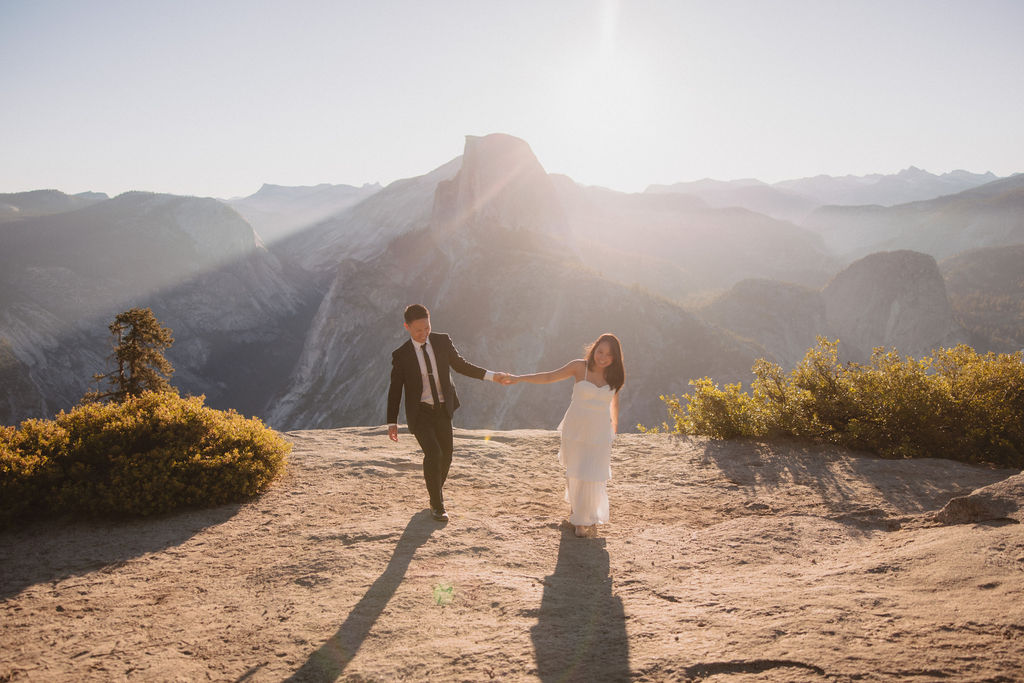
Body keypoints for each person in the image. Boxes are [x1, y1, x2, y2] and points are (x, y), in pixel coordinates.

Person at [387, 304, 509, 522]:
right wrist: (391, 422)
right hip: (420, 413)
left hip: (443, 409)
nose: (424, 334)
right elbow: (395, 389)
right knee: (433, 454)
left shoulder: (442, 341)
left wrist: (493, 376)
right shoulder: (402, 355)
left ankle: (434, 491)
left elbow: (462, 366)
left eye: (427, 328)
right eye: (418, 330)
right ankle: (437, 504)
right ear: (407, 327)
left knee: (447, 455)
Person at [504, 334, 625, 537]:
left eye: (609, 355)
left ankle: (587, 513)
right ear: (594, 349)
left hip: (599, 430)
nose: (603, 357)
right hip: (576, 428)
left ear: (615, 358)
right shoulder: (580, 367)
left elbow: (614, 401)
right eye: (600, 351)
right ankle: (579, 519)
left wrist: (615, 427)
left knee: (594, 473)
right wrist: (520, 378)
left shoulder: (614, 376)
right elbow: (550, 376)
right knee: (577, 470)